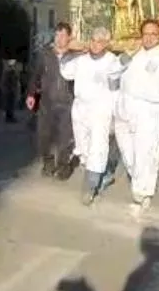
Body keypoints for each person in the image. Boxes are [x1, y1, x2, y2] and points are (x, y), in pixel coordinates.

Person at [111, 19, 159, 218]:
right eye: (145, 33)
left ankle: (143, 193)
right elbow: (112, 74)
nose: (149, 38)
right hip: (124, 108)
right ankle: (139, 182)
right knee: (128, 152)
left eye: (153, 34)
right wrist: (127, 55)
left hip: (148, 111)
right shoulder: (133, 53)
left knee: (146, 153)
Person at [58, 27, 123, 205]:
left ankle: (91, 187)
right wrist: (68, 51)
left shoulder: (112, 62)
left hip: (101, 109)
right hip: (80, 109)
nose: (96, 44)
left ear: (107, 44)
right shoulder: (81, 59)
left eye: (101, 41)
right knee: (82, 147)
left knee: (98, 148)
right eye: (94, 40)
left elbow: (115, 89)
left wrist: (115, 114)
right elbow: (66, 72)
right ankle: (101, 173)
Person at [27, 23, 78, 179]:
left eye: (63, 35)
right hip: (46, 102)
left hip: (67, 102)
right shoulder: (45, 55)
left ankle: (62, 166)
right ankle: (48, 163)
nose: (59, 38)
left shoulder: (75, 56)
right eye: (57, 35)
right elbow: (35, 76)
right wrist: (31, 94)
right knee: (44, 135)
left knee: (64, 137)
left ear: (69, 37)